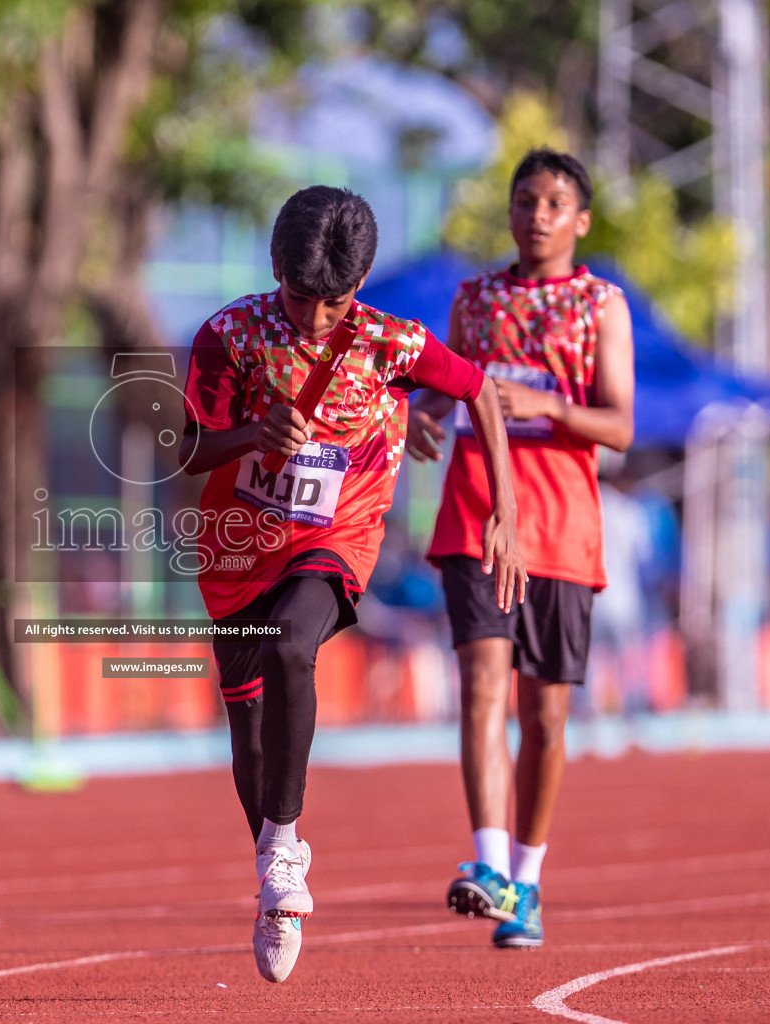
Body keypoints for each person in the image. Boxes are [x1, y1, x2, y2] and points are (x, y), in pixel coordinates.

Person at [180, 185, 525, 983]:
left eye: (334, 303)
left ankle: (283, 854)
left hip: (338, 533)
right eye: (301, 299)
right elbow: (189, 451)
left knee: (293, 644)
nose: (314, 320)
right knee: (248, 732)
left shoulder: (390, 343)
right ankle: (277, 867)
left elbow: (480, 390)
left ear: (358, 290)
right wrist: (249, 434)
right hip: (238, 546)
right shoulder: (228, 336)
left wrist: (504, 509)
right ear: (276, 270)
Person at [409, 148, 635, 948]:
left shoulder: (600, 303)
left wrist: (548, 403)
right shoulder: (474, 299)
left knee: (543, 715)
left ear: (580, 220)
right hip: (476, 512)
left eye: (553, 203)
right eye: (524, 199)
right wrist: (419, 413)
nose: (536, 214)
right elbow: (455, 383)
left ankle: (530, 883)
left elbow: (620, 426)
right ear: (509, 212)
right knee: (481, 688)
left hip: (562, 527)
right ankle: (489, 867)